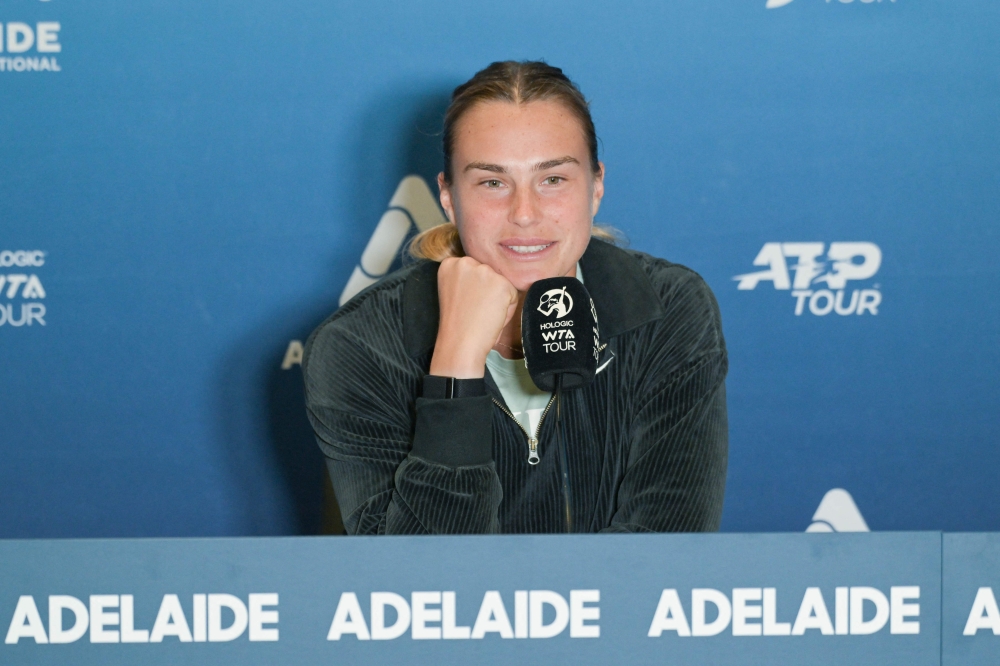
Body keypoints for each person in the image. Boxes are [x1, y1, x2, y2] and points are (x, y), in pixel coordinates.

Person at [303, 61, 728, 534]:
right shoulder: (360, 345)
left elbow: (668, 548)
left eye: (553, 179)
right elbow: (418, 582)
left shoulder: (665, 308)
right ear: (448, 197)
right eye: (492, 182)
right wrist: (455, 365)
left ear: (596, 185)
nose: (524, 214)